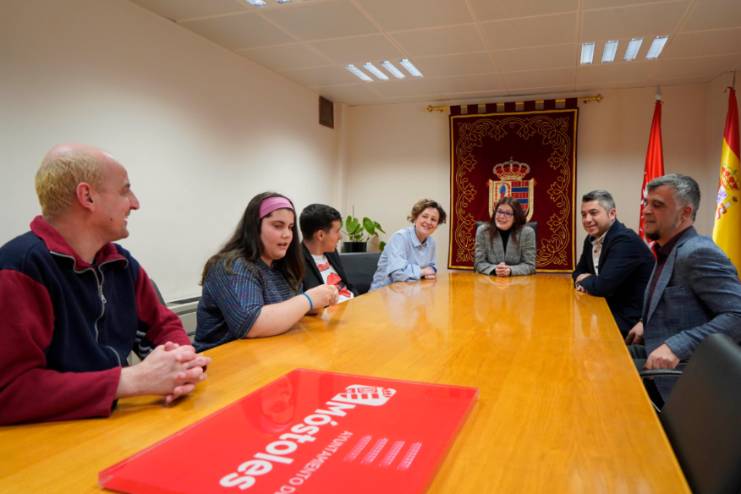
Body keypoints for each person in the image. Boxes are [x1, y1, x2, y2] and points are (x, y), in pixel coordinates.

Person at [0, 144, 210, 425]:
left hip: (111, 425)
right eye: (125, 191)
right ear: (87, 196)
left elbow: (162, 324)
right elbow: (9, 391)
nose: (135, 203)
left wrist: (182, 364)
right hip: (47, 438)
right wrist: (131, 381)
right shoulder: (18, 269)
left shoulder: (120, 261)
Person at [625, 174, 741, 399]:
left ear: (685, 213)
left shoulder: (697, 252)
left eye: (657, 205)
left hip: (684, 377)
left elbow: (737, 314)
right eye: (646, 203)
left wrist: (676, 346)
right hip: (653, 348)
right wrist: (644, 321)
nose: (646, 211)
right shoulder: (667, 248)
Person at [195, 193, 339, 351]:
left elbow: (288, 309)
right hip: (223, 359)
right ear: (255, 227)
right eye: (277, 226)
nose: (287, 234)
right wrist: (308, 300)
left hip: (270, 352)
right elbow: (251, 324)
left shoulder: (282, 265)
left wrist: (314, 304)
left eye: (290, 227)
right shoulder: (230, 266)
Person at [572, 190, 654, 336]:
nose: (587, 219)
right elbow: (577, 272)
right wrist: (588, 280)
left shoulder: (625, 240)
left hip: (630, 321)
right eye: (583, 215)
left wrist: (586, 280)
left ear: (612, 214)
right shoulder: (591, 239)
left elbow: (603, 287)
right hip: (603, 308)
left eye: (593, 213)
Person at [370, 199, 446, 290]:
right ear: (415, 217)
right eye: (425, 216)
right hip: (383, 293)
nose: (429, 222)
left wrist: (428, 271)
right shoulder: (400, 238)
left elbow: (432, 267)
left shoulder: (431, 242)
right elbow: (397, 274)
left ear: (437, 225)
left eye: (433, 219)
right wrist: (422, 272)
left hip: (410, 290)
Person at [299, 204, 356, 302]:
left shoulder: (331, 252)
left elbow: (347, 286)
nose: (340, 237)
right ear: (320, 235)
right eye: (337, 231)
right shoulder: (297, 262)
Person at [474, 196, 536, 277]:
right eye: (499, 211)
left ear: (516, 218)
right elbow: (479, 263)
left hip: (518, 282)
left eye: (508, 213)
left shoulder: (527, 233)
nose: (502, 216)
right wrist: (494, 269)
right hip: (490, 280)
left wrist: (510, 270)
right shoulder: (483, 231)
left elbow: (530, 266)